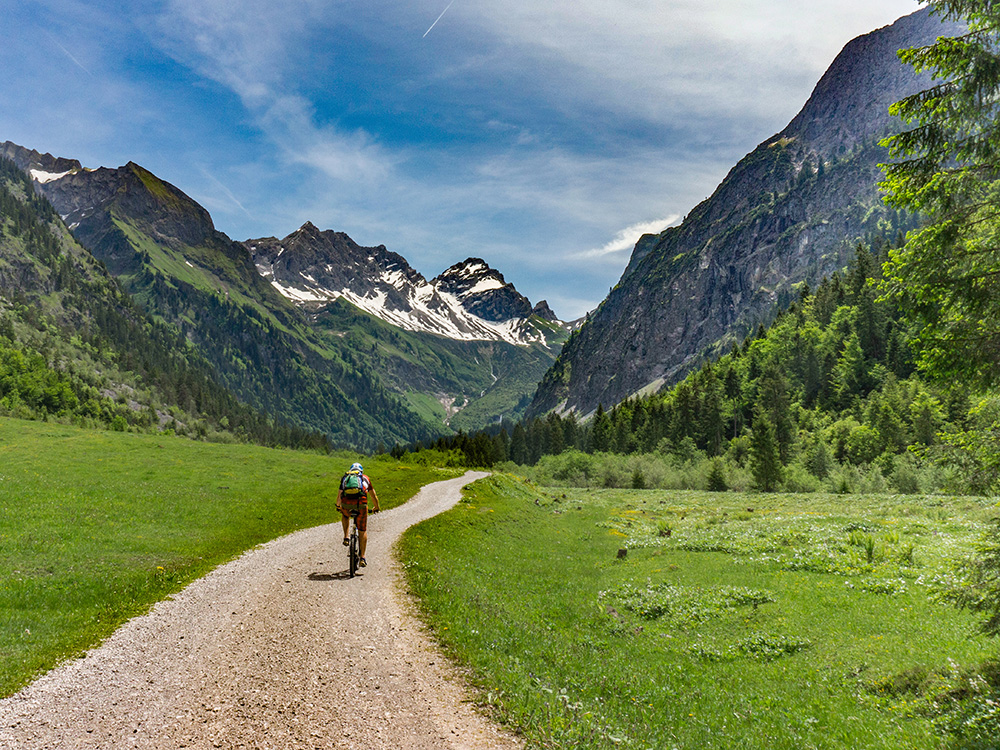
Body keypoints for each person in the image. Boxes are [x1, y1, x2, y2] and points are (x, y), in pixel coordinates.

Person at [337, 462, 380, 568]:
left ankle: (346, 537)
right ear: (361, 471)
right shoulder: (365, 478)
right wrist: (376, 507)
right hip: (361, 504)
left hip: (347, 504)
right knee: (362, 530)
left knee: (345, 515)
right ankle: (363, 557)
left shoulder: (345, 478)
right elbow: (373, 495)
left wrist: (339, 506)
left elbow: (340, 494)